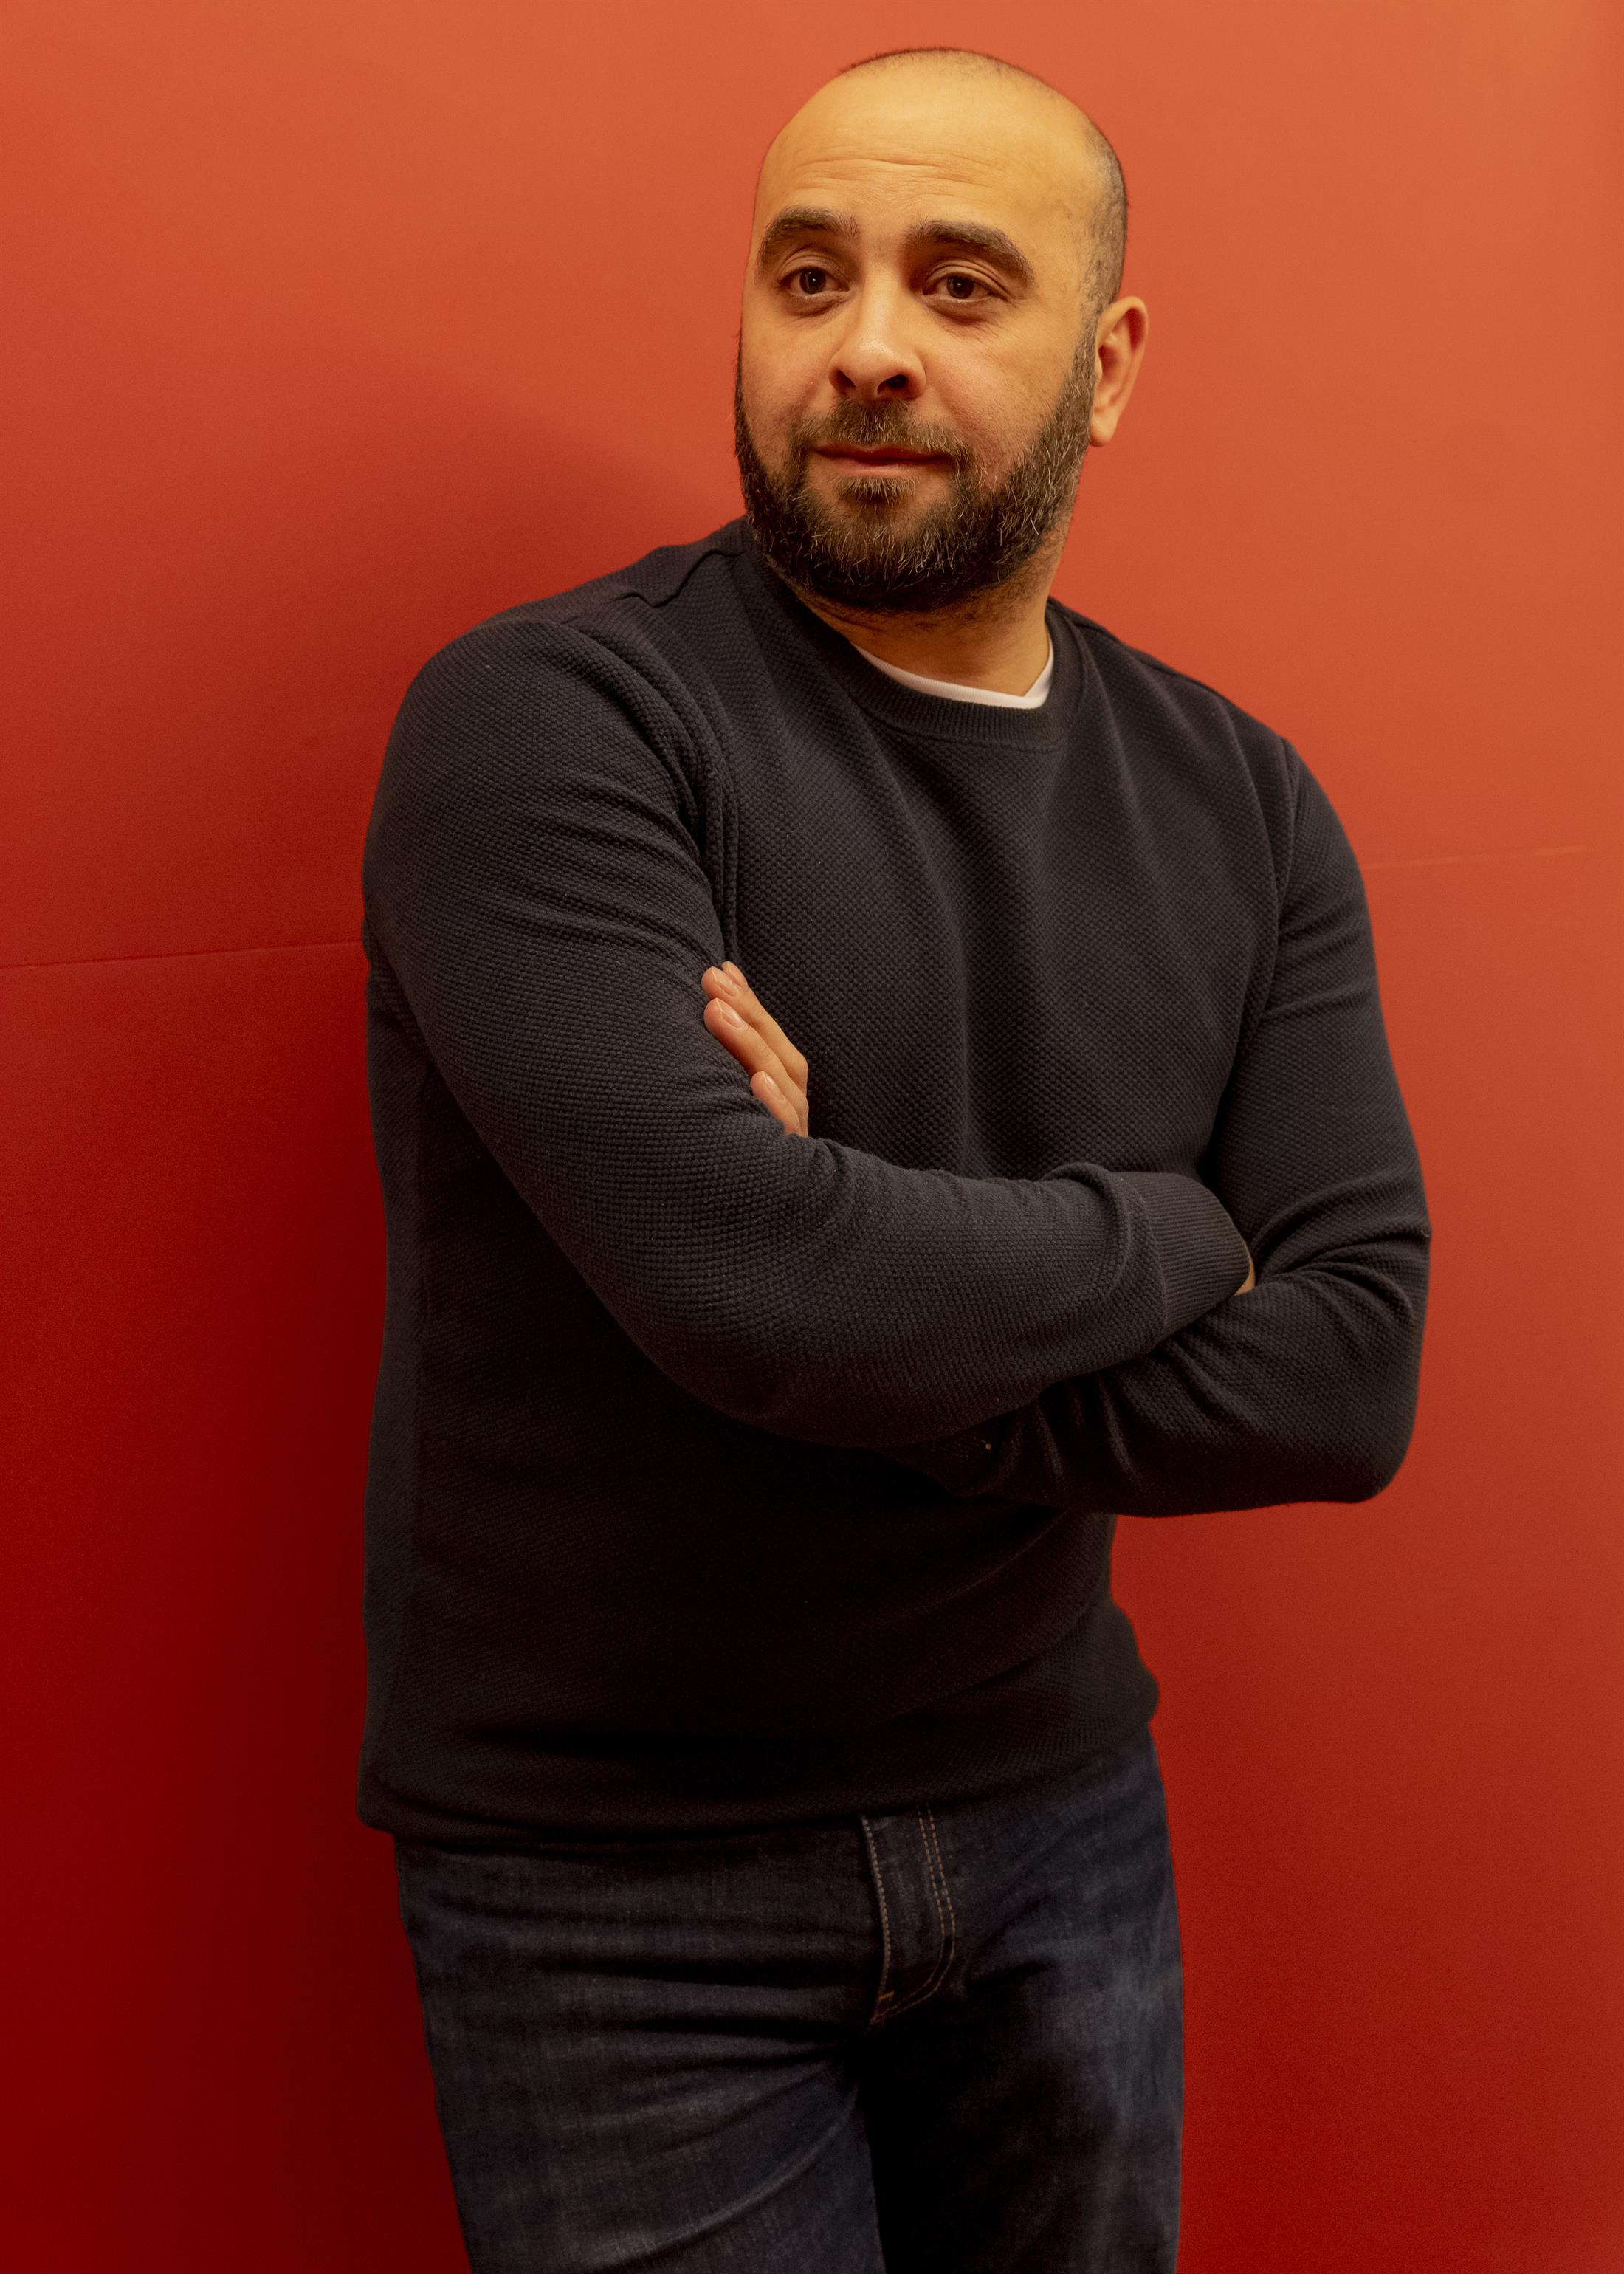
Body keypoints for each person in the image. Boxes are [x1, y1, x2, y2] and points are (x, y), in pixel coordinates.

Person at [359, 42, 1430, 2274]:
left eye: (959, 284)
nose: (865, 346)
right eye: (808, 275)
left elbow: (1349, 1378)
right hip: (619, 1889)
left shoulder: (1241, 800)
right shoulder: (556, 724)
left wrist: (853, 1294)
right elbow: (754, 1297)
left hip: (1059, 1824)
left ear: (1106, 365)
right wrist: (1179, 1232)